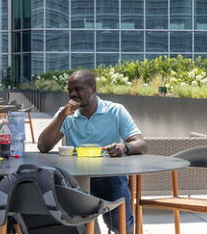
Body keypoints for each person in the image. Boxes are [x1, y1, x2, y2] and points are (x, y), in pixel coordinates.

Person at [37, 70, 147, 234]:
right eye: (70, 90)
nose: (73, 94)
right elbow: (43, 146)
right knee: (72, 226)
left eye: (78, 89)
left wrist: (124, 147)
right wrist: (61, 116)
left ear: (93, 89)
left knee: (120, 224)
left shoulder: (115, 111)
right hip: (76, 181)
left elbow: (142, 145)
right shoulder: (67, 114)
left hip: (110, 178)